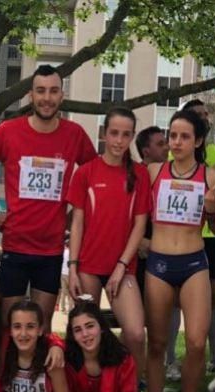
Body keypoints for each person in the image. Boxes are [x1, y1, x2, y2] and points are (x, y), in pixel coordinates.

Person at [0, 65, 97, 331]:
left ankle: (39, 374)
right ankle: (8, 374)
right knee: (11, 327)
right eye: (41, 91)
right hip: (15, 246)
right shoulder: (8, 131)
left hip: (51, 251)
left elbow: (96, 176)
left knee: (41, 328)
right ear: (31, 95)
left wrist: (73, 215)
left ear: (61, 96)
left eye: (53, 91)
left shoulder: (74, 135)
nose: (47, 97)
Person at [145, 109, 215, 392]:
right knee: (159, 343)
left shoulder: (212, 176)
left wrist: (214, 211)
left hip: (193, 262)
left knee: (195, 341)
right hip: (159, 263)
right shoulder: (153, 171)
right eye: (172, 135)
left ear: (198, 140)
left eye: (184, 136)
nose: (176, 142)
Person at [67, 107, 149, 376]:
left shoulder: (139, 174)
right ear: (103, 134)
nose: (119, 140)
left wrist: (121, 266)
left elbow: (139, 224)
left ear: (132, 137)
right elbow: (77, 223)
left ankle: (132, 389)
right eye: (114, 133)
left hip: (122, 268)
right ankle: (89, 390)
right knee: (86, 338)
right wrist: (73, 267)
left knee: (136, 334)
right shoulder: (86, 172)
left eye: (126, 135)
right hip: (88, 266)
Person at [169, 100, 215, 375]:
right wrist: (213, 170)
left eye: (206, 114)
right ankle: (170, 360)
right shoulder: (176, 150)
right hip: (183, 233)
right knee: (174, 298)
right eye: (200, 114)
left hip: (213, 235)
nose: (205, 117)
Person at [134, 126, 168, 305]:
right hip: (138, 256)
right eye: (160, 144)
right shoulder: (134, 176)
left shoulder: (170, 176)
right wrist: (139, 240)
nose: (167, 147)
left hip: (164, 251)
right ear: (146, 151)